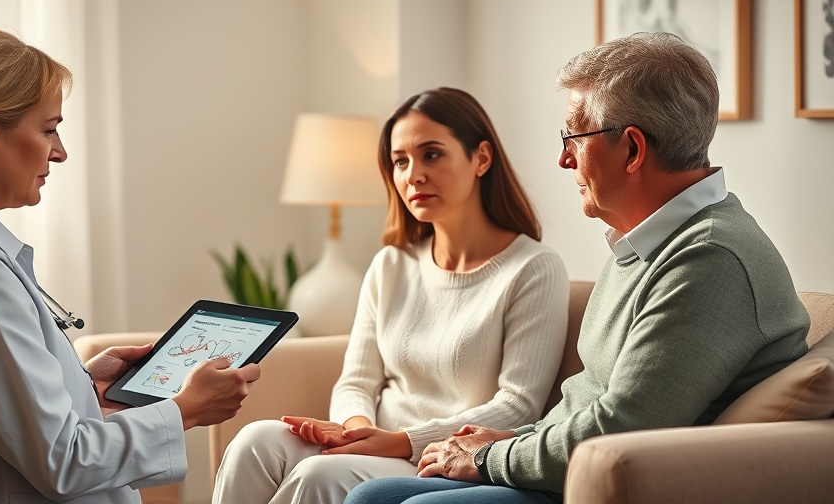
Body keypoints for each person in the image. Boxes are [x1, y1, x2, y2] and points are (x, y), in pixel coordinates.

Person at [344, 32, 811, 504]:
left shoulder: (708, 260)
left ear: (632, 149)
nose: (564, 158)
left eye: (574, 137)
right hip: (571, 467)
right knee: (371, 497)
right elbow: (586, 401)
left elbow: (622, 426)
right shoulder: (647, 242)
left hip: (614, 485)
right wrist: (505, 442)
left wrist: (491, 457)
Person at [0, 26, 261, 504]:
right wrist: (185, 409)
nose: (59, 152)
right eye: (49, 129)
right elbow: (65, 461)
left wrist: (82, 385)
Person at [211, 87, 570, 504]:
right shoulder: (391, 265)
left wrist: (397, 441)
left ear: (481, 158)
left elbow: (518, 407)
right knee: (253, 441)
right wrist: (355, 430)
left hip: (443, 459)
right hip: (378, 443)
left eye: (431, 154)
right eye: (400, 161)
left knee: (319, 475)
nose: (412, 174)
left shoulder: (534, 268)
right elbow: (355, 381)